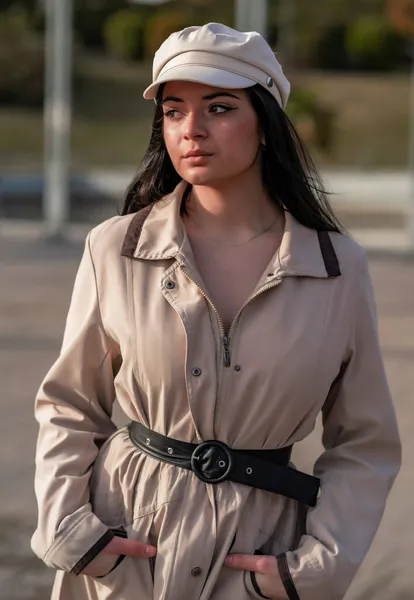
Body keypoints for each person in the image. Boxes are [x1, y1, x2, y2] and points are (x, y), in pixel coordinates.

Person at [31, 22, 401, 600]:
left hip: (259, 558)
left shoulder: (337, 267)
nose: (191, 130)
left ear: (267, 122)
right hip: (124, 548)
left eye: (219, 108)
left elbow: (364, 443)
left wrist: (314, 568)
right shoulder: (115, 248)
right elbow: (70, 407)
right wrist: (74, 534)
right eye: (174, 110)